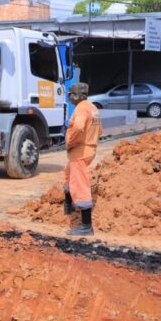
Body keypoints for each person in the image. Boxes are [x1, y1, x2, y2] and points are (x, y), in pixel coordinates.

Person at [63, 82, 102, 236]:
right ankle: (68, 206)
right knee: (68, 174)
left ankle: (86, 225)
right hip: (89, 148)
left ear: (77, 95)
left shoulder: (81, 108)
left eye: (71, 94)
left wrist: (71, 142)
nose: (69, 98)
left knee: (80, 184)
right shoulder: (93, 108)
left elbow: (78, 128)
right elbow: (100, 130)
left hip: (80, 151)